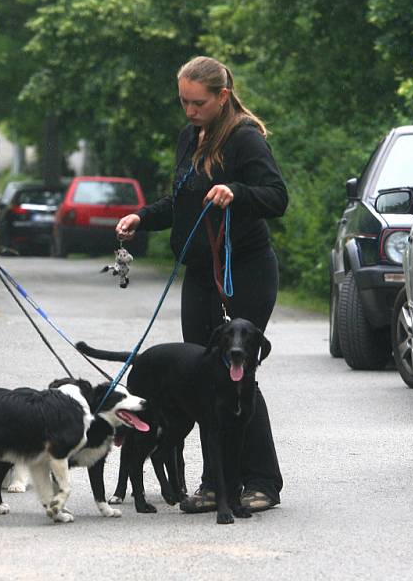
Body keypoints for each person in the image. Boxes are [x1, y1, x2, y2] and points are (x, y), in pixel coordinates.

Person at [115, 56, 287, 513]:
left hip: (243, 271)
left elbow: (276, 197)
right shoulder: (191, 136)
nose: (189, 111)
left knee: (238, 376)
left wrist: (237, 192)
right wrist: (142, 218)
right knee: (205, 378)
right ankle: (216, 483)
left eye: (198, 102)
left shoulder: (245, 138)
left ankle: (263, 481)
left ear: (222, 97)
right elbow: (182, 200)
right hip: (200, 273)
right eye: (184, 102)